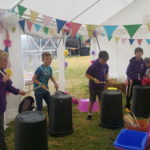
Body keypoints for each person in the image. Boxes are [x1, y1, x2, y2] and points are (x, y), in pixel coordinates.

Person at [0, 49, 25, 150]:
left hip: (1, 106)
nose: (7, 63)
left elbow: (9, 87)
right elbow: (2, 84)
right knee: (0, 132)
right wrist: (2, 82)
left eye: (7, 60)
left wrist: (18, 91)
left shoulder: (3, 72)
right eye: (5, 61)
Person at [86, 51, 109, 120]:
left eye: (106, 61)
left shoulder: (106, 65)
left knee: (102, 100)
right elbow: (87, 74)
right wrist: (94, 79)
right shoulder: (93, 66)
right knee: (92, 101)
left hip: (101, 87)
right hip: (93, 87)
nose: (104, 62)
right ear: (99, 58)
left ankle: (102, 114)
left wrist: (106, 79)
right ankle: (89, 114)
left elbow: (106, 72)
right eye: (103, 60)